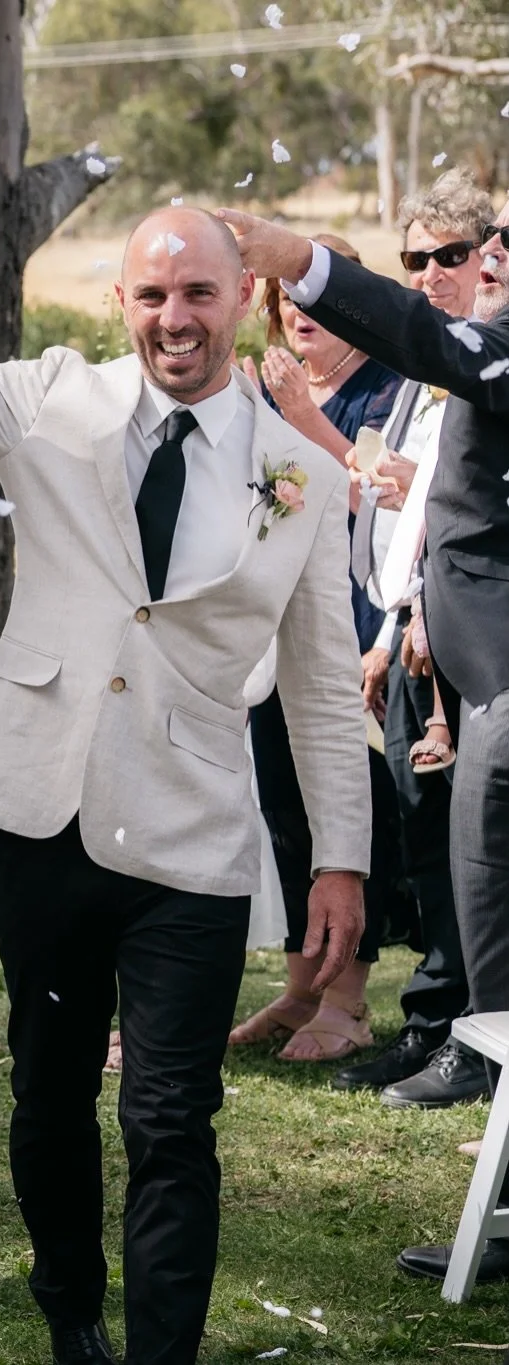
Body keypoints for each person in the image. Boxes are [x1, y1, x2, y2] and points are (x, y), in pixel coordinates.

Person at [0, 128, 370, 1365]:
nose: (173, 317)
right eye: (150, 293)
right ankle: (71, 1314)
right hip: (43, 815)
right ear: (119, 301)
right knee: (50, 1096)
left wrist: (340, 855)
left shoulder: (305, 475)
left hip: (193, 831)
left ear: (246, 297)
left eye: (196, 292)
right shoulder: (51, 399)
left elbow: (325, 690)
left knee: (174, 1117)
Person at [219, 198, 509, 1284]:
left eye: (499, 245)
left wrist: (301, 259)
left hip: (496, 700)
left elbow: (422, 339)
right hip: (479, 691)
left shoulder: (485, 350)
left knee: (486, 938)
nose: (486, 259)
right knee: (491, 950)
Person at [333, 169, 491, 1108]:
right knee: (422, 837)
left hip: (464, 643)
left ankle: (472, 1038)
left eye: (450, 257)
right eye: (414, 261)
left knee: (469, 850)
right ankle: (432, 1025)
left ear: (487, 261)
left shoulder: (484, 369)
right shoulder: (415, 383)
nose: (429, 275)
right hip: (405, 634)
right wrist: (392, 627)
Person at [228, 237, 407, 1062]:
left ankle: (349, 999)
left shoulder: (387, 387)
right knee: (284, 808)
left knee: (348, 807)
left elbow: (377, 494)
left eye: (316, 302)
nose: (296, 315)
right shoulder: (270, 388)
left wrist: (301, 420)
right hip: (273, 628)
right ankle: (301, 989)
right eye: (285, 303)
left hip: (355, 625)